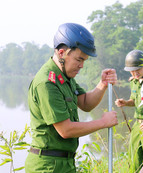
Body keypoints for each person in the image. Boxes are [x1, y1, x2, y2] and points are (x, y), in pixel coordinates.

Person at [25, 23, 118, 173]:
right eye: (79, 59)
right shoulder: (47, 82)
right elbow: (66, 130)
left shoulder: (65, 77)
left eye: (84, 61)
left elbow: (85, 103)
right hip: (47, 166)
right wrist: (103, 122)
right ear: (62, 53)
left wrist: (103, 84)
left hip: (64, 163)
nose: (81, 66)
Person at [114, 50, 143, 172]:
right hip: (137, 125)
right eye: (132, 71)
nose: (135, 73)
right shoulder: (134, 81)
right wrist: (126, 103)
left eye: (137, 70)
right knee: (134, 159)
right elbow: (135, 100)